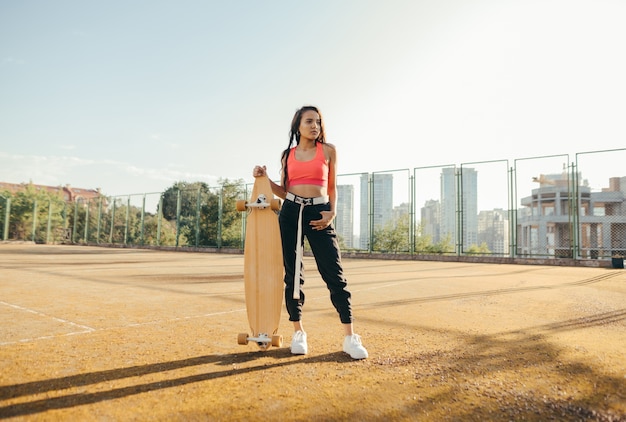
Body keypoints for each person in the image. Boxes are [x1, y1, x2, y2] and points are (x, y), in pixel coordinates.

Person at [253, 105, 368, 360]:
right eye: (309, 121)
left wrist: (332, 213)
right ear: (298, 126)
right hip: (291, 214)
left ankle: (350, 337)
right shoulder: (287, 155)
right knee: (293, 276)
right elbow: (283, 191)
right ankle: (298, 332)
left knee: (334, 274)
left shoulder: (328, 151)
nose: (314, 126)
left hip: (320, 214)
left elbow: (332, 187)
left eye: (317, 122)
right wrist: (265, 178)